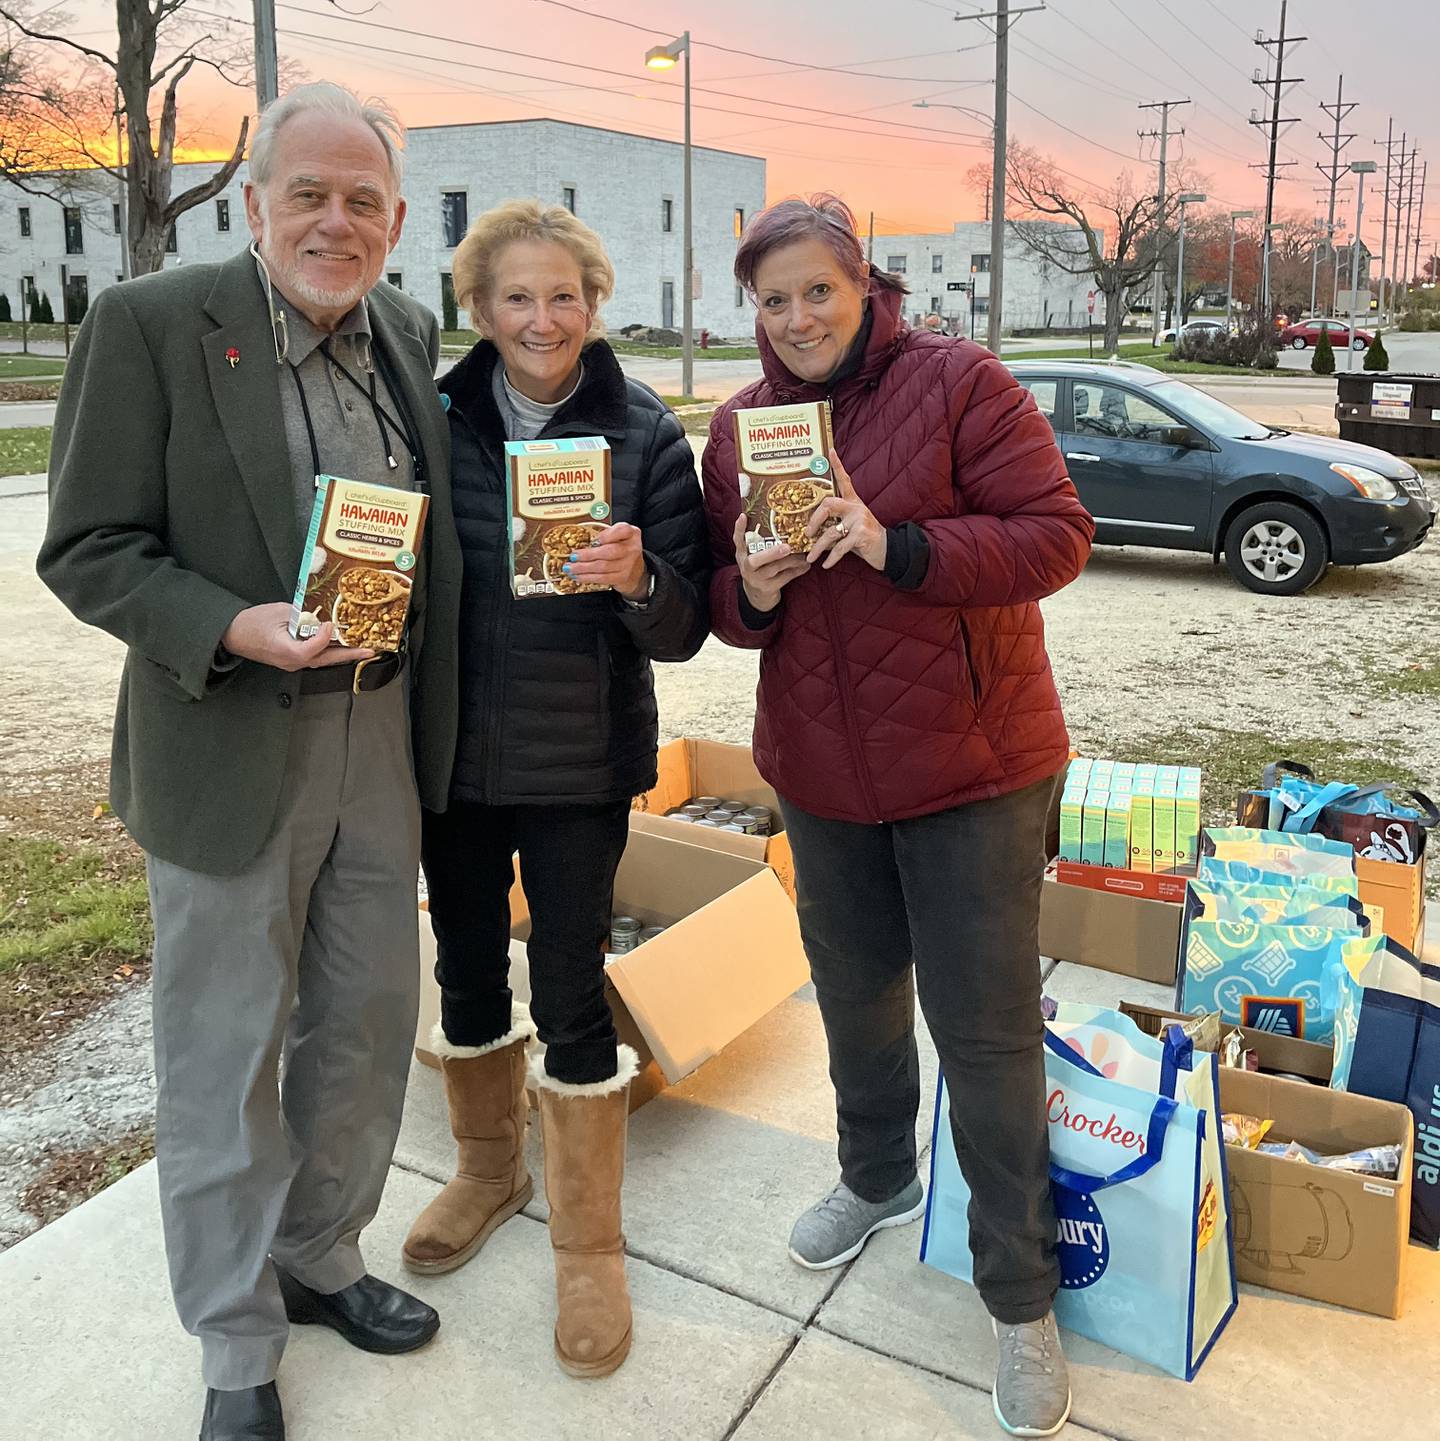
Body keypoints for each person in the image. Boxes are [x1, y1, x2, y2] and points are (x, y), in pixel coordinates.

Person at [38, 83, 461, 1441]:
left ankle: (322, 1252)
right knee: (223, 1056)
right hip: (225, 736)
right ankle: (232, 1340)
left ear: (395, 223)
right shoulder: (152, 326)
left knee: (365, 1024)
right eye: (309, 194)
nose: (335, 222)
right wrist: (228, 623)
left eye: (363, 202)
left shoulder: (402, 329)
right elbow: (88, 546)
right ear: (252, 200)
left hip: (381, 737)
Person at [701, 195, 1094, 1441]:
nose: (799, 316)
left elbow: (1054, 539)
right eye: (775, 299)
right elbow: (725, 604)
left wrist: (897, 543)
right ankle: (874, 1177)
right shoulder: (743, 428)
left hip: (975, 767)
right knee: (857, 994)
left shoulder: (963, 382)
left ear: (864, 285)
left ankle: (1019, 1296)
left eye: (819, 289)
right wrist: (749, 587)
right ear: (752, 313)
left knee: (980, 1033)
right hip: (820, 774)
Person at [403, 200, 709, 1379]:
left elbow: (687, 628)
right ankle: (488, 1169)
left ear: (595, 302)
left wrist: (642, 579)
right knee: (467, 969)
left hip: (579, 763)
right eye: (516, 298)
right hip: (452, 758)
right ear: (479, 310)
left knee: (571, 985)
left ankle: (589, 1241)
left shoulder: (642, 430)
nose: (542, 318)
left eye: (564, 294)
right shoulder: (429, 416)